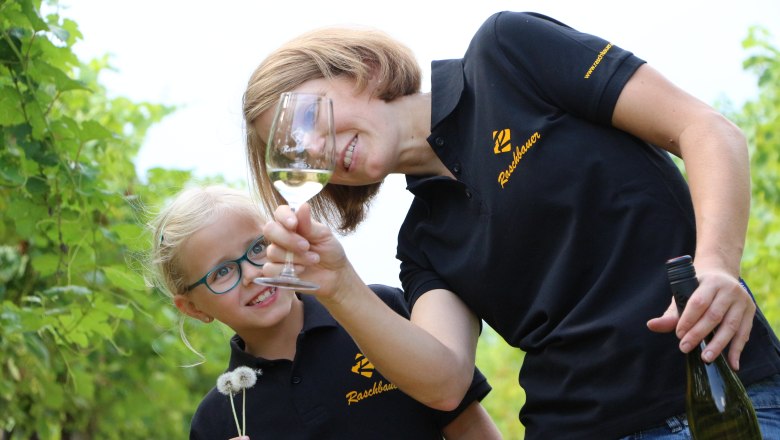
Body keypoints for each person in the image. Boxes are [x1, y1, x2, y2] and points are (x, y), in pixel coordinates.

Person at [242, 11, 780, 440]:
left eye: (306, 116)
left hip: (730, 392)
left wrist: (716, 265)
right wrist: (338, 286)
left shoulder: (508, 53)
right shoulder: (423, 242)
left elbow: (705, 130)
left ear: (361, 66)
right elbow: (446, 382)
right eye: (291, 151)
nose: (312, 150)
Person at [148, 185, 502, 440]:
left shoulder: (380, 312)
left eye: (258, 248)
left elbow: (469, 427)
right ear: (193, 307)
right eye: (221, 272)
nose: (253, 273)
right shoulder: (217, 422)